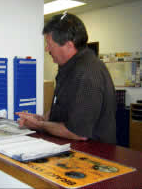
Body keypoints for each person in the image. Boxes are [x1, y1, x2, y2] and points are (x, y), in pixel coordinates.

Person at [16, 12, 116, 144]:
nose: (47, 49)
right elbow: (62, 105)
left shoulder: (87, 73)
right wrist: (41, 120)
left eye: (49, 43)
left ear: (69, 45)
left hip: (92, 155)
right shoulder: (68, 67)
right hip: (68, 149)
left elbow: (77, 132)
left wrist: (39, 126)